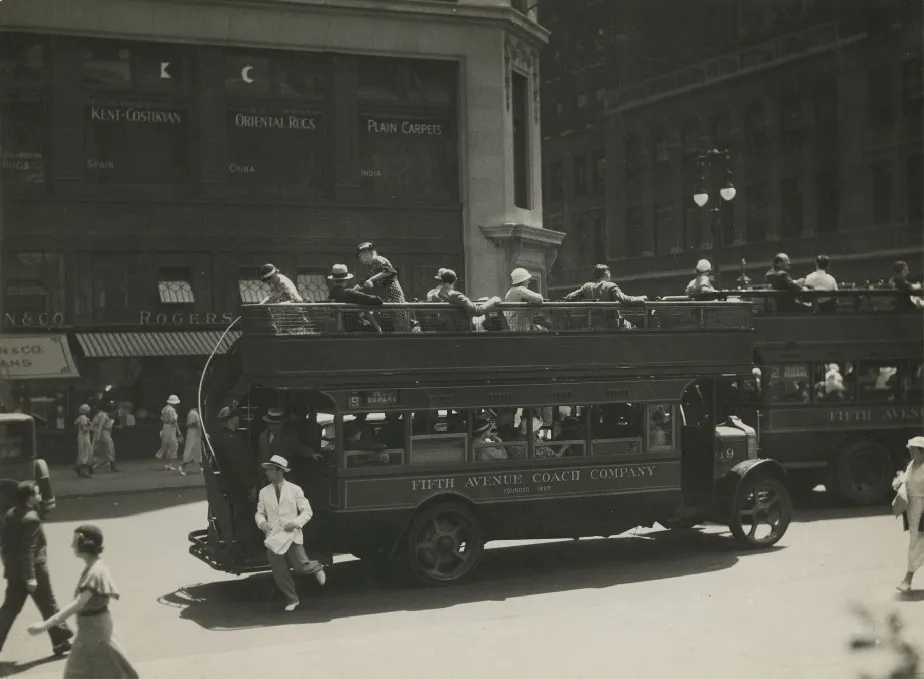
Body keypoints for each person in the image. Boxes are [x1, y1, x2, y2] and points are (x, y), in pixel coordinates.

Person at [27, 525, 138, 679]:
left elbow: (78, 603)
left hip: (96, 632)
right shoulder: (93, 568)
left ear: (85, 543)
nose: (72, 545)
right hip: (89, 631)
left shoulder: (96, 572)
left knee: (109, 671)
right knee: (79, 672)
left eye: (75, 541)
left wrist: (45, 625)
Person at [0, 481, 73, 657]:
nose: (40, 496)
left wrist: (11, 567)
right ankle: (60, 640)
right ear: (29, 497)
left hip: (15, 571)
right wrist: (30, 577)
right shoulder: (31, 518)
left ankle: (61, 640)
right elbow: (28, 549)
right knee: (48, 604)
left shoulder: (10, 514)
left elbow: (6, 545)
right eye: (37, 493)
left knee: (10, 609)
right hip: (34, 569)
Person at [255, 455, 326, 612]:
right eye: (267, 470)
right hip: (273, 537)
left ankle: (316, 566)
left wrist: (295, 523)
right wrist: (262, 522)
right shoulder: (264, 492)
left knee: (300, 566)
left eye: (270, 470)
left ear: (279, 471)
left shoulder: (295, 489)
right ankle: (292, 599)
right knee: (279, 571)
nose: (267, 473)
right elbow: (259, 513)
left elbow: (307, 511)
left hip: (291, 535)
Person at [211, 406, 260, 558]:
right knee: (244, 518)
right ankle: (244, 552)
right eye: (238, 417)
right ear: (232, 419)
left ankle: (243, 550)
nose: (240, 420)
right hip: (239, 486)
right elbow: (238, 466)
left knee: (241, 518)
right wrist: (250, 487)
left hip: (234, 484)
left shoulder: (223, 436)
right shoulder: (229, 439)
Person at [356, 241, 412, 332]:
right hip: (387, 297)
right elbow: (363, 282)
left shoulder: (378, 259)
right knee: (395, 323)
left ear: (366, 253)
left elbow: (389, 271)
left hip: (394, 296)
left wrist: (371, 279)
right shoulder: (371, 266)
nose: (360, 259)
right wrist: (352, 291)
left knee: (401, 324)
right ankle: (380, 330)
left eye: (360, 256)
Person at [894, 436, 924, 593]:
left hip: (923, 509)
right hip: (912, 509)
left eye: (914, 451)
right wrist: (899, 483)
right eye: (910, 450)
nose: (911, 453)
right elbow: (905, 480)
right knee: (916, 541)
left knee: (917, 543)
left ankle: (908, 578)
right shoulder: (912, 465)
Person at [434, 269, 500, 330]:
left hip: (446, 328)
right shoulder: (456, 295)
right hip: (462, 330)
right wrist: (492, 301)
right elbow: (477, 311)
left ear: (442, 281)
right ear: (455, 280)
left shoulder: (438, 294)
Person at [504, 268, 544, 332]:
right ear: (523, 280)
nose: (529, 281)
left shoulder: (510, 292)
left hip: (513, 326)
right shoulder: (520, 290)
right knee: (545, 330)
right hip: (520, 328)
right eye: (527, 279)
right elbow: (539, 299)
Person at [155, 394, 183, 471]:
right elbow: (174, 421)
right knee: (172, 446)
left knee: (167, 445)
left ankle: (167, 464)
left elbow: (161, 418)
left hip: (165, 427)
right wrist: (179, 431)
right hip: (171, 427)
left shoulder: (165, 408)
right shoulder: (172, 410)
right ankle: (169, 464)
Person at [91, 403, 118, 473]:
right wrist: (98, 436)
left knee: (98, 450)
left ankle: (92, 466)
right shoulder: (103, 415)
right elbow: (100, 426)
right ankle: (112, 466)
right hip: (104, 433)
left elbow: (94, 426)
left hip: (100, 433)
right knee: (109, 449)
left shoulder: (97, 415)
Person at [178, 407, 203, 476]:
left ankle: (202, 467)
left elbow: (188, 424)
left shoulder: (190, 414)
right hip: (195, 433)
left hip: (191, 433)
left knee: (196, 449)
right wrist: (202, 432)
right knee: (193, 449)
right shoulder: (195, 414)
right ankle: (182, 466)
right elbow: (198, 424)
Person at [74, 404, 93, 478]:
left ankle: (81, 470)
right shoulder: (84, 418)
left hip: (81, 436)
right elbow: (84, 429)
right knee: (85, 453)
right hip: (84, 437)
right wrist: (91, 426)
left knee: (83, 453)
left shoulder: (80, 417)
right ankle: (84, 472)